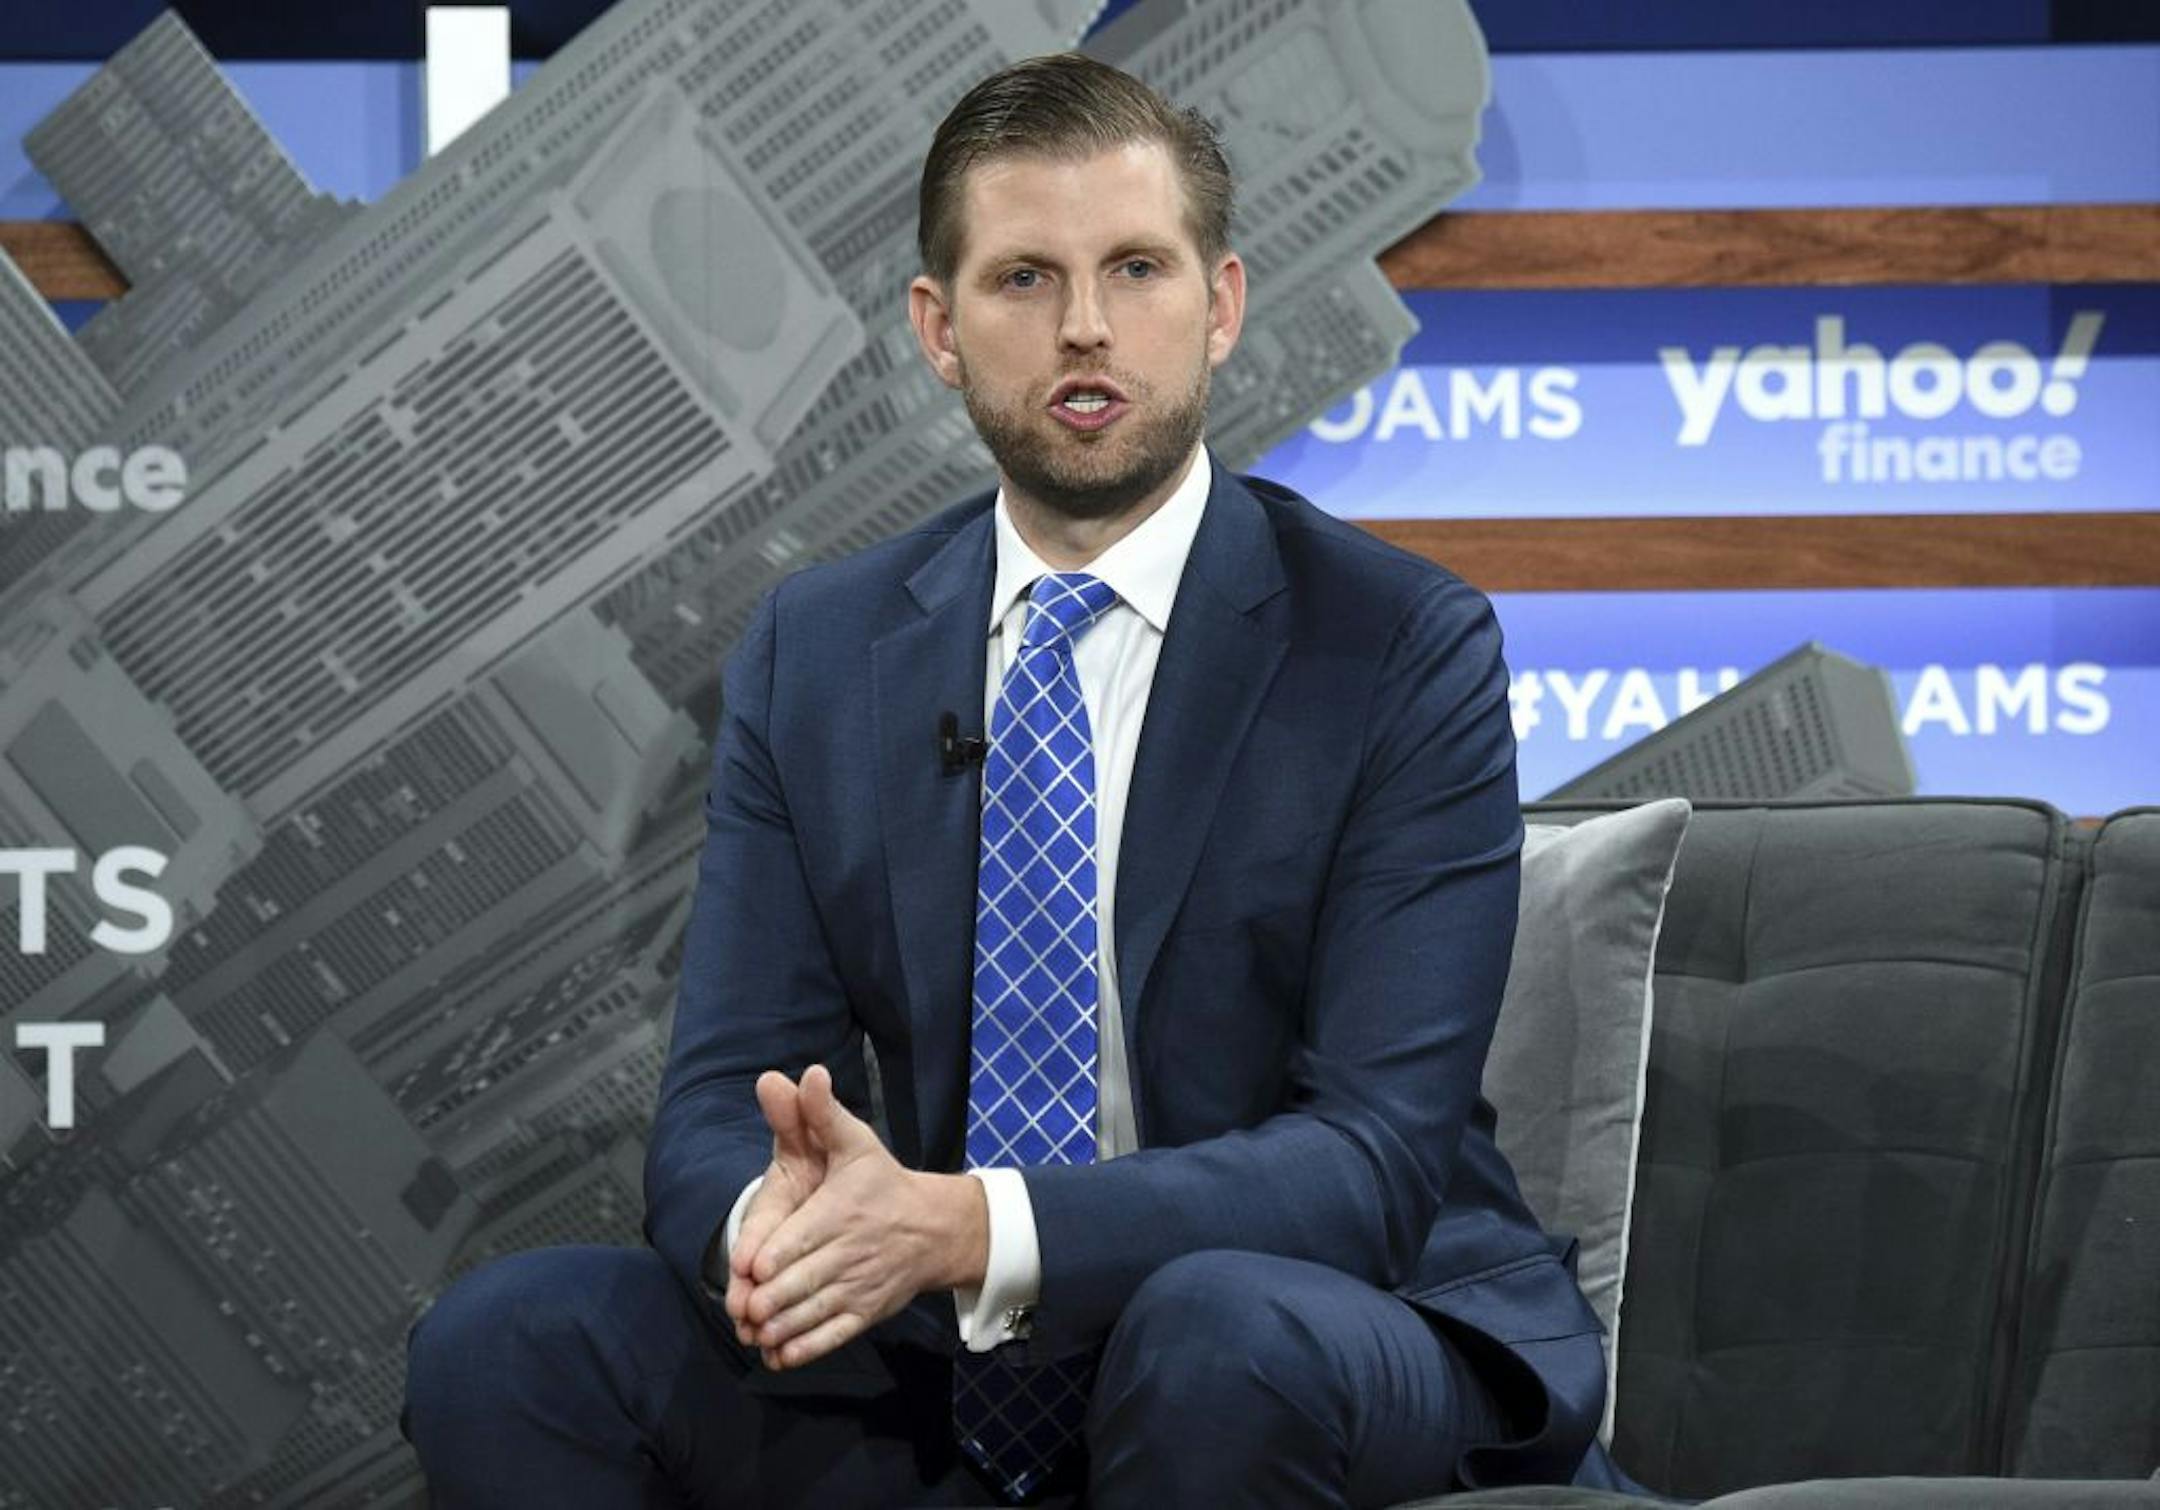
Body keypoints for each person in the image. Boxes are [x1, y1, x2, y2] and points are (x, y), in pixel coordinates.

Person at [404, 52, 1642, 1508]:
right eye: (1023, 281)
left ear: (1223, 305)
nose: (1086, 329)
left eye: (1135, 268)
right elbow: (716, 1103)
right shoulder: (823, 649)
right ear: (937, 329)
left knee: (1211, 1332)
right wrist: (789, 1222)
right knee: (514, 1340)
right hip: (940, 1358)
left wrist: (969, 1226)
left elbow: (1367, 1166)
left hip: (1325, 1323)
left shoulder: (1392, 644)